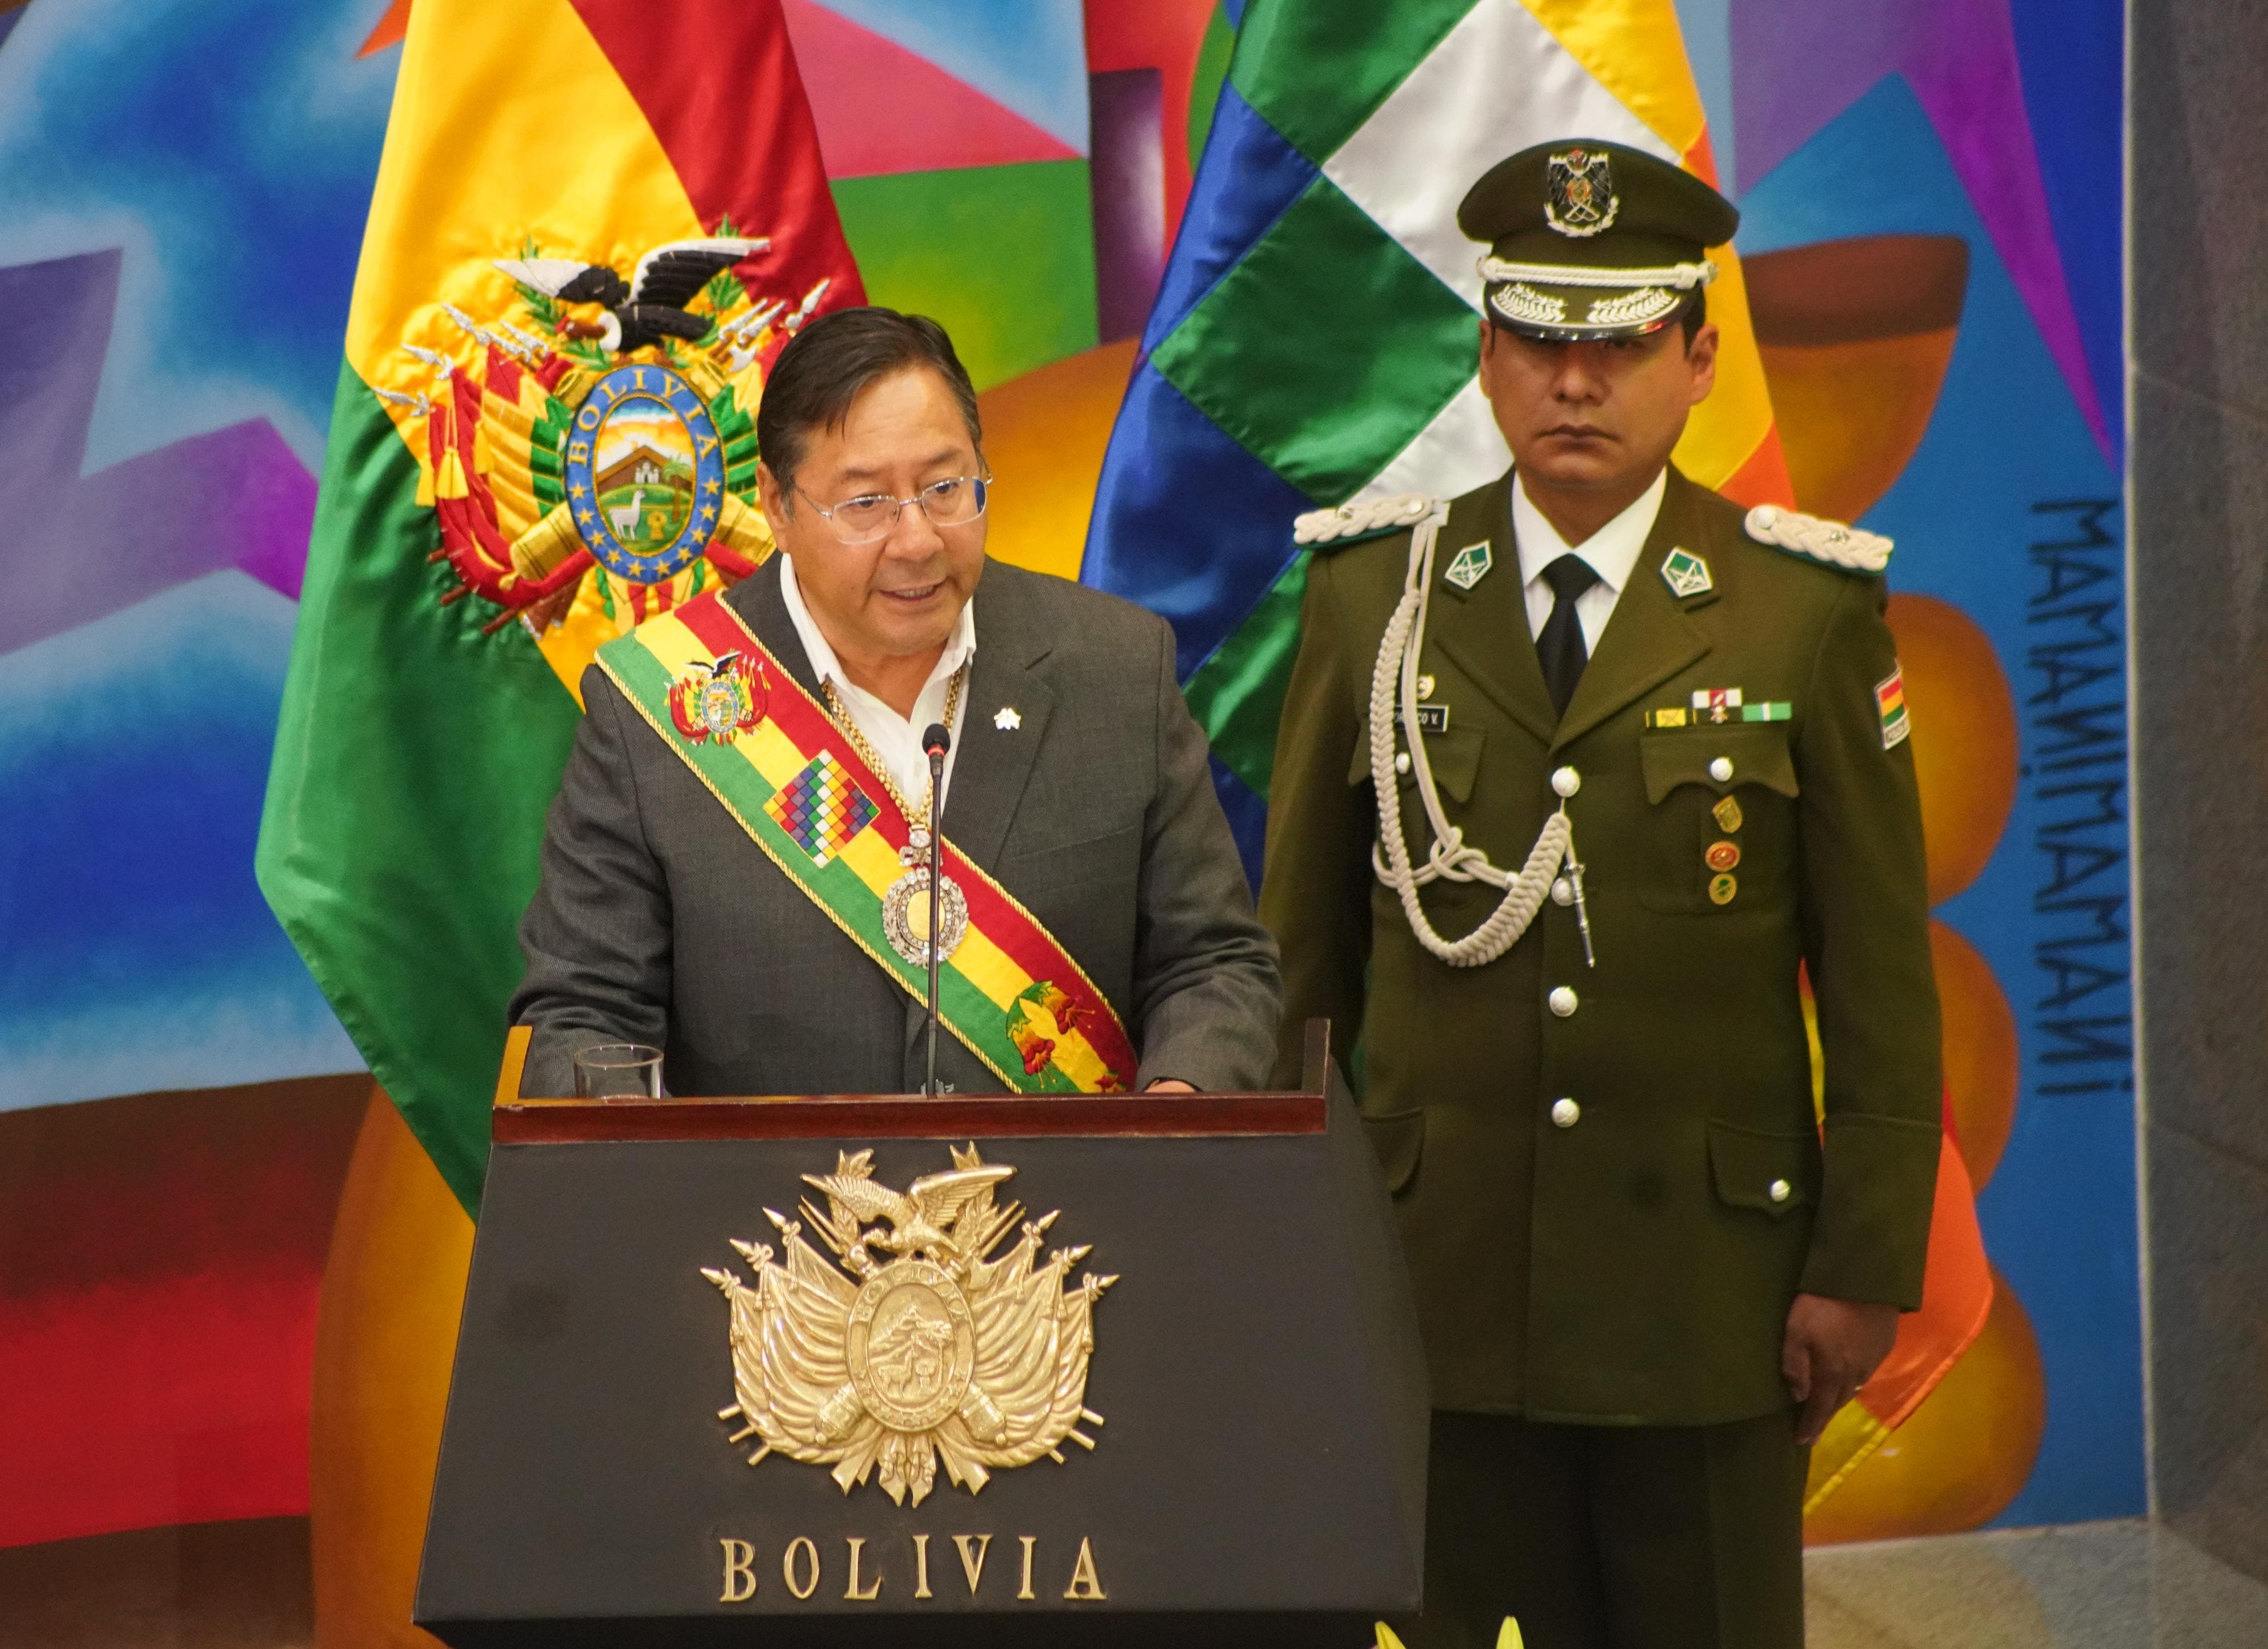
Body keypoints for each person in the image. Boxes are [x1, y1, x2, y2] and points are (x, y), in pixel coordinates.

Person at [1259, 141, 1943, 1648]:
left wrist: (1862, 1267)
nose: (1579, 382)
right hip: (1432, 1294)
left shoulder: (1800, 611)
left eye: (1622, 340)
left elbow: (1883, 977)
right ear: (1486, 361)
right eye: (1541, 342)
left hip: (1706, 1302)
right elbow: (1304, 967)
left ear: (1700, 360)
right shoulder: (1376, 597)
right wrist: (1283, 1247)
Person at [512, 306, 1279, 1100]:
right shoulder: (658, 710)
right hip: (771, 1219)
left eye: (946, 488)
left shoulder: (1115, 668)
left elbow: (1215, 965)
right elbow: (583, 1013)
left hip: (1067, 1213)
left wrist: (1174, 1111)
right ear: (778, 505)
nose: (917, 539)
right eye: (866, 503)